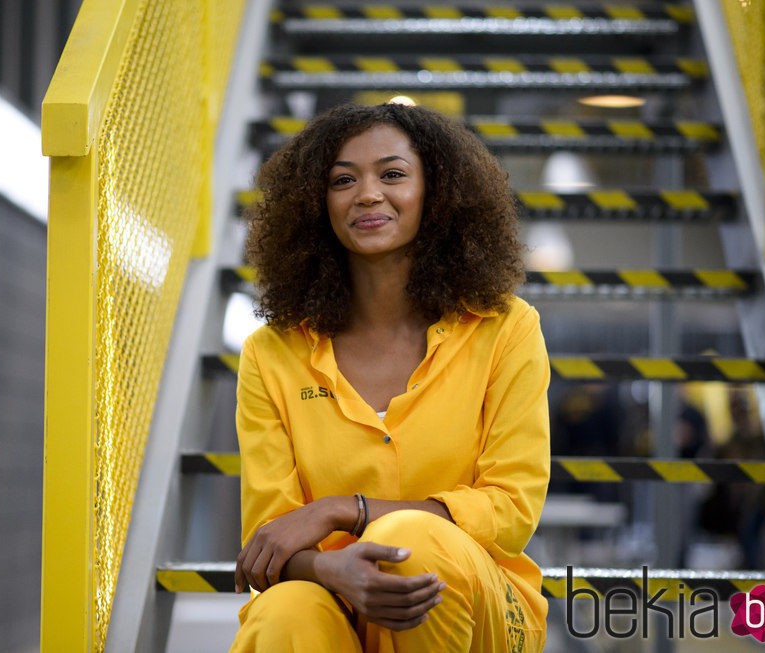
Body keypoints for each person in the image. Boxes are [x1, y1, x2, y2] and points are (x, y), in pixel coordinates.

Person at [230, 102, 550, 652]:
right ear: (316, 204)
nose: (368, 194)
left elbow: (508, 509)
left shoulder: (505, 328)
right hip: (334, 593)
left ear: (438, 193)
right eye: (342, 180)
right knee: (282, 610)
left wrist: (342, 509)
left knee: (413, 543)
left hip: (481, 603)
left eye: (393, 174)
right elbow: (272, 538)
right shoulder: (270, 353)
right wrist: (333, 572)